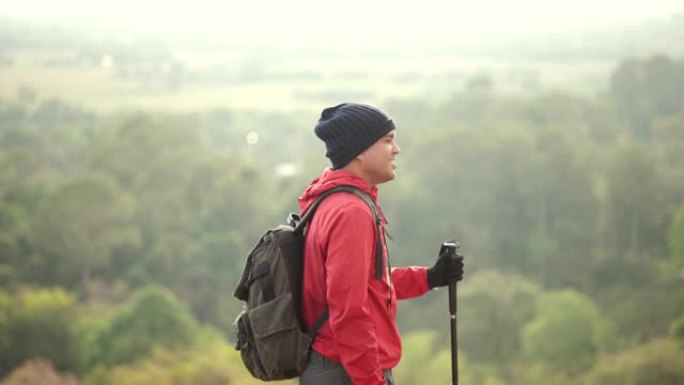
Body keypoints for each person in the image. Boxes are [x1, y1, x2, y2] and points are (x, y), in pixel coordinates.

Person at [298, 103, 464, 385]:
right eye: (387, 140)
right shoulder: (351, 212)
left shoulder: (331, 200)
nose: (396, 149)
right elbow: (348, 309)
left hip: (337, 367)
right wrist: (372, 381)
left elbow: (366, 286)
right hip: (347, 372)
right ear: (359, 151)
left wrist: (429, 277)